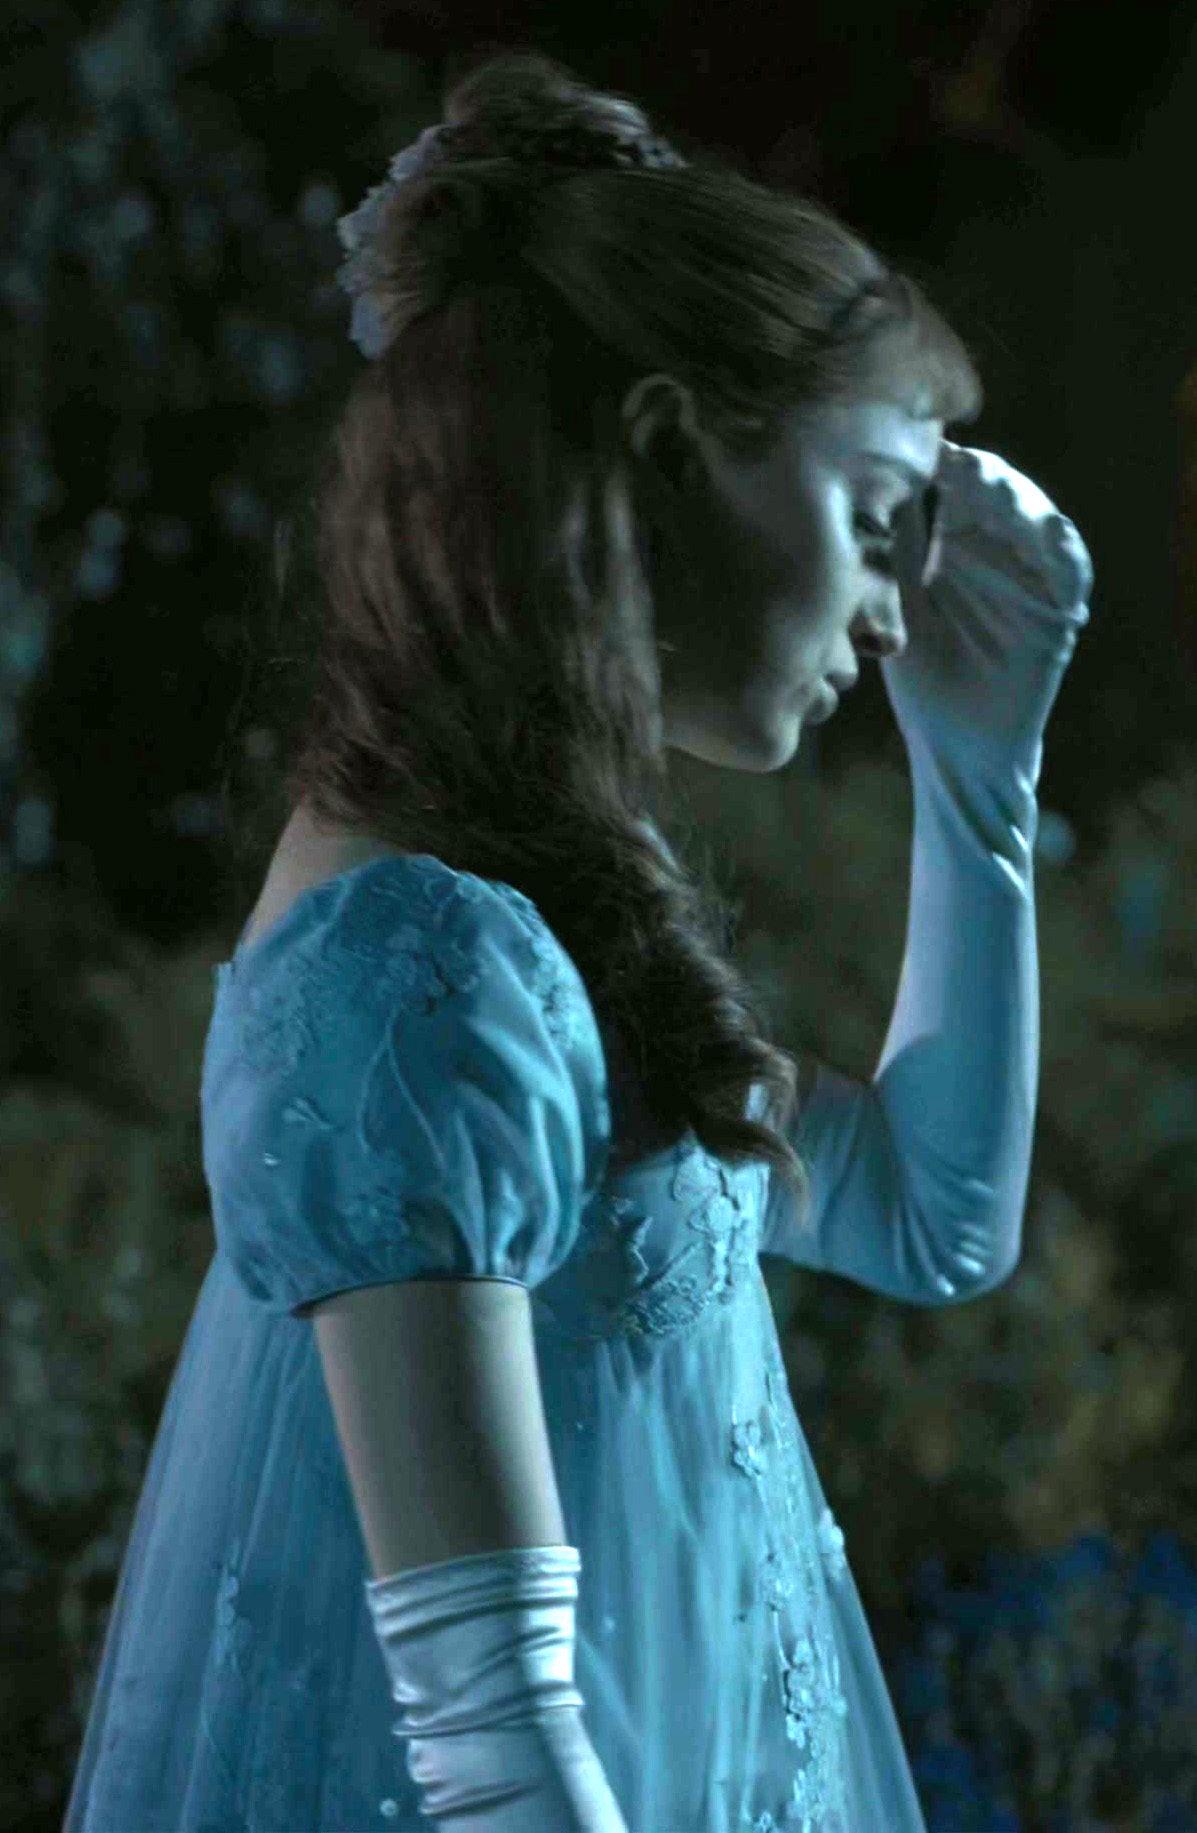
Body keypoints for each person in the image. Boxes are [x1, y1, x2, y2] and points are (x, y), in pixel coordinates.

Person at [64, 44, 1091, 1833]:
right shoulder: (413, 963)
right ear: (670, 454)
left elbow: (930, 1221)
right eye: (871, 521)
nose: (891, 610)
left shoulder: (539, 912)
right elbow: (490, 1746)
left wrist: (979, 781)